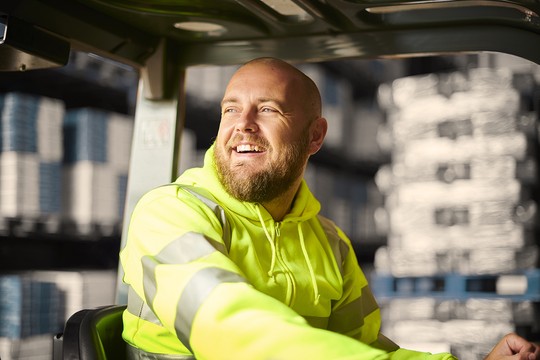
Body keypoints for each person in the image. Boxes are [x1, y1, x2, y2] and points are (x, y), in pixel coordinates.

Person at [120, 57, 539, 360]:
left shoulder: (329, 243)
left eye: (267, 109)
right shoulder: (168, 214)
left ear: (315, 136)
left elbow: (363, 349)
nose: (242, 123)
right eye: (230, 108)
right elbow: (230, 330)